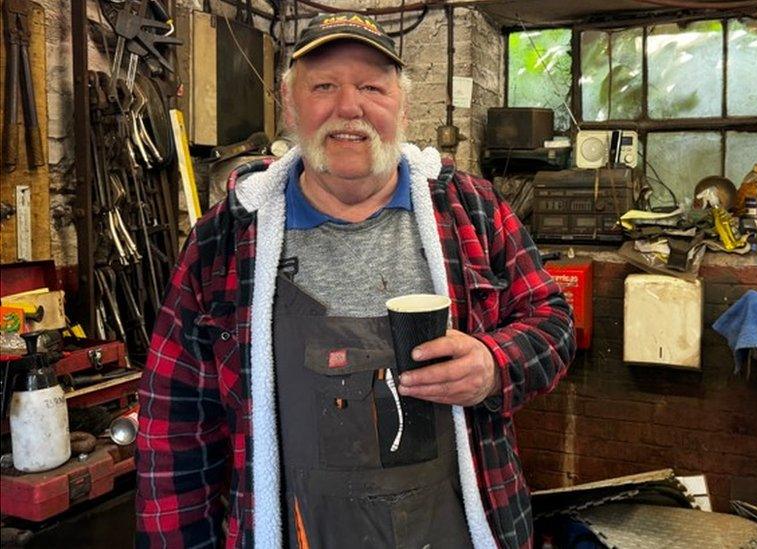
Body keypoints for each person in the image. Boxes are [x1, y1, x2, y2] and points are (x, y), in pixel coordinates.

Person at [134, 12, 575, 549]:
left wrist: (494, 364)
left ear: (403, 106)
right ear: (290, 104)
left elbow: (553, 321)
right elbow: (174, 431)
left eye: (372, 87)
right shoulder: (225, 241)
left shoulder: (470, 211)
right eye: (324, 86)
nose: (349, 107)